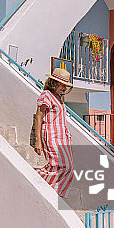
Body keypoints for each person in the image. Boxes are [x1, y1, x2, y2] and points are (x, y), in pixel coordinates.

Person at [34, 67, 74, 198]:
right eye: (61, 84)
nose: (63, 88)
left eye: (65, 85)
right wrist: (38, 141)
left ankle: (52, 192)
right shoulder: (46, 95)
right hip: (51, 136)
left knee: (69, 168)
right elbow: (38, 116)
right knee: (59, 165)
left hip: (63, 137)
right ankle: (36, 178)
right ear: (53, 82)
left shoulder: (58, 98)